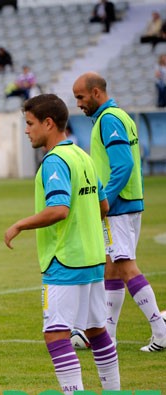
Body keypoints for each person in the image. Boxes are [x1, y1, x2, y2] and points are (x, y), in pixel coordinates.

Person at [4, 93, 125, 395]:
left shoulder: (55, 161)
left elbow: (59, 209)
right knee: (97, 331)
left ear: (48, 123)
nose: (26, 131)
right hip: (91, 258)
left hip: (65, 260)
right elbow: (103, 205)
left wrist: (19, 225)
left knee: (55, 335)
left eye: (29, 124)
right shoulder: (82, 156)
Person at [72, 72, 166, 352]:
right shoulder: (121, 116)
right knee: (111, 270)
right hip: (130, 202)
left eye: (80, 96)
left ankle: (161, 331)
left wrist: (106, 202)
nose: (77, 103)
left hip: (118, 206)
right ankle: (108, 337)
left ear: (96, 92)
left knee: (124, 266)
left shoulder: (108, 119)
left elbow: (123, 165)